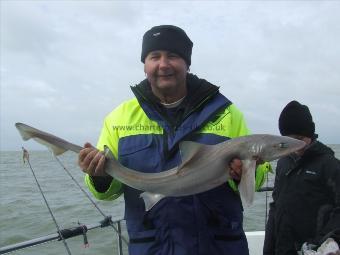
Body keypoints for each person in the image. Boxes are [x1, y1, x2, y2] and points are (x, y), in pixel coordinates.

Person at [78, 25, 271, 255]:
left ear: (187, 63)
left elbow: (255, 182)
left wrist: (245, 174)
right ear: (145, 65)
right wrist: (98, 177)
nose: (163, 64)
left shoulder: (227, 113)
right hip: (152, 248)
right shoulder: (118, 119)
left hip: (218, 247)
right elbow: (107, 193)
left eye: (173, 56)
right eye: (154, 56)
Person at [263, 100, 340, 255]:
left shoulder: (329, 165)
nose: (295, 145)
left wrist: (330, 239)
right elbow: (276, 207)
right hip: (283, 248)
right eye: (289, 140)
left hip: (314, 249)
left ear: (309, 134)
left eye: (299, 138)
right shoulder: (283, 163)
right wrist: (268, 248)